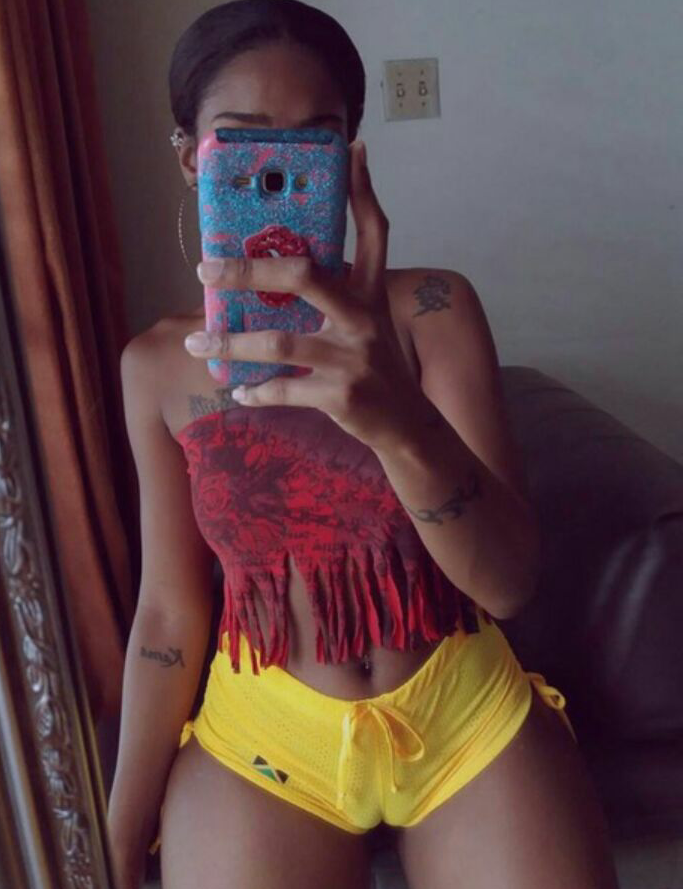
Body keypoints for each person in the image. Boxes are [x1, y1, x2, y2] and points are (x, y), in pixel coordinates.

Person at [107, 2, 620, 887]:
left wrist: (396, 417)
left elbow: (506, 582)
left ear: (347, 158)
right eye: (243, 138)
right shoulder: (154, 366)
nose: (279, 165)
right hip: (266, 732)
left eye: (316, 136)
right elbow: (167, 612)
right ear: (192, 155)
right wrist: (116, 830)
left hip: (460, 707)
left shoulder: (432, 311)